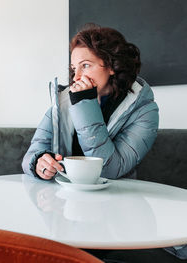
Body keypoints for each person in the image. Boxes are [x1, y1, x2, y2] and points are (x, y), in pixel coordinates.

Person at [22, 24, 186, 262]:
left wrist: (85, 104)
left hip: (115, 216)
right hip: (63, 210)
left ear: (110, 66)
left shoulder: (145, 111)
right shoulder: (63, 102)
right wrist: (39, 162)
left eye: (85, 65)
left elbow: (110, 168)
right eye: (73, 68)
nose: (76, 77)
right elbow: (33, 152)